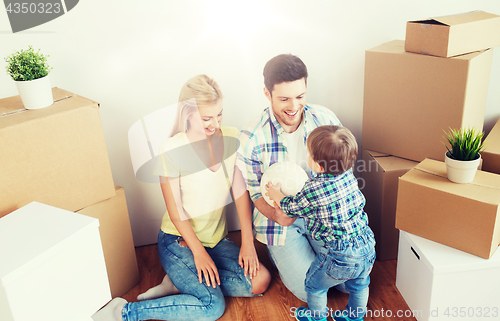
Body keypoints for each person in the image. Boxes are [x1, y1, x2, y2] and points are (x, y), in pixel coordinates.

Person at [93, 74, 270, 321]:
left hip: (217, 240)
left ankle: (183, 282)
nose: (215, 124)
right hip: (179, 240)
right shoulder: (171, 149)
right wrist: (198, 253)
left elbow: (240, 194)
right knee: (212, 306)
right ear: (187, 113)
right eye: (207, 118)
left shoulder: (231, 137)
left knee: (260, 280)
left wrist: (249, 242)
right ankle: (123, 312)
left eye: (219, 114)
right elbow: (176, 211)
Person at [236, 53, 342, 302]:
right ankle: (290, 254)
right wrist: (276, 215)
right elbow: (253, 191)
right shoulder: (251, 137)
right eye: (284, 99)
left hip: (321, 214)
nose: (293, 107)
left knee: (347, 283)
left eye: (300, 97)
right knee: (311, 292)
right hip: (281, 224)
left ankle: (317, 257)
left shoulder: (326, 120)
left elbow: (342, 173)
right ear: (267, 93)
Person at [265, 125, 376, 321]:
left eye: (309, 154)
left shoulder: (314, 190)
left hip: (338, 253)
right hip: (366, 245)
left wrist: (276, 194)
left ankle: (316, 317)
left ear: (318, 165)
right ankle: (354, 316)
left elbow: (292, 207)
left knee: (315, 286)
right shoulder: (349, 176)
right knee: (361, 284)